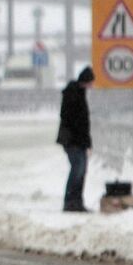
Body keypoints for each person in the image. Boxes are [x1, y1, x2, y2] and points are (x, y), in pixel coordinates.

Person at [57, 65, 95, 212]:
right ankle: (71, 202)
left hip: (77, 141)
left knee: (81, 170)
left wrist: (87, 143)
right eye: (91, 82)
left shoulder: (79, 93)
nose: (92, 86)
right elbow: (77, 121)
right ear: (86, 80)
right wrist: (83, 141)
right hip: (72, 140)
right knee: (77, 169)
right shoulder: (73, 94)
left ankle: (76, 201)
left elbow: (83, 123)